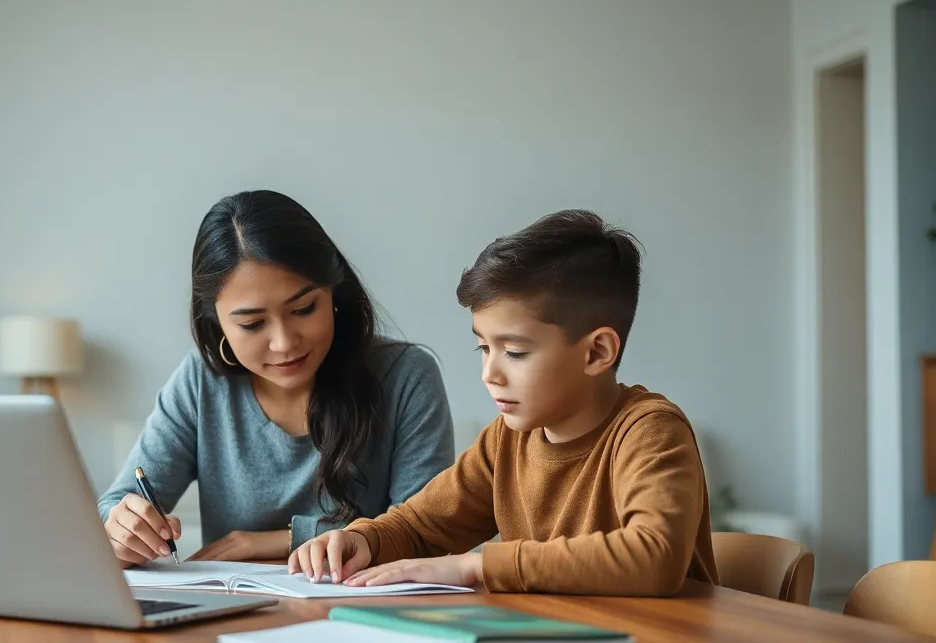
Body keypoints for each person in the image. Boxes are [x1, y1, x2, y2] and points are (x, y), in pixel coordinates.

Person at [290, 209, 720, 596]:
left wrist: (478, 567)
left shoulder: (649, 431)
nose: (490, 374)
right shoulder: (507, 439)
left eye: (514, 353)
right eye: (484, 349)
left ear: (596, 353)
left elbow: (654, 556)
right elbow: (422, 525)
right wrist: (364, 539)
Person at [97, 190, 456, 566]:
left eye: (304, 308)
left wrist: (274, 541)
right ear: (216, 322)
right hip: (233, 614)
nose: (285, 343)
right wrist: (124, 529)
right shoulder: (200, 383)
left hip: (367, 611)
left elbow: (429, 530)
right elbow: (114, 507)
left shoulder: (406, 376)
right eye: (252, 324)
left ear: (333, 291)